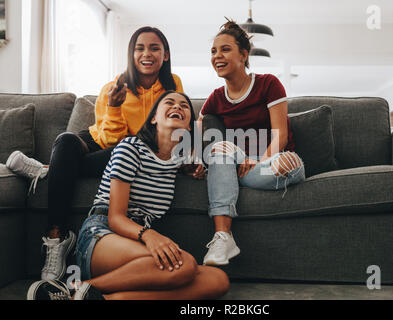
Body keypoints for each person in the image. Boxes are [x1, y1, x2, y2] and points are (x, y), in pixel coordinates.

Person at [6, 26, 184, 281]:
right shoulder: (113, 87)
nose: (147, 54)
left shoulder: (173, 84)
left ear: (165, 55)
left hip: (131, 148)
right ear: (130, 54)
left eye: (154, 48)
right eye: (139, 48)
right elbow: (111, 138)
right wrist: (114, 107)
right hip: (104, 139)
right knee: (66, 140)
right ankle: (58, 237)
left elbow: (133, 147)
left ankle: (49, 170)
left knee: (116, 151)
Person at [27, 90, 228, 300]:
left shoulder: (178, 163)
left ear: (189, 126)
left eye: (185, 106)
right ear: (153, 118)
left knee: (217, 279)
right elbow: (115, 218)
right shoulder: (131, 148)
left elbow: (198, 158)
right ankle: (72, 290)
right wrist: (150, 236)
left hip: (136, 245)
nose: (178, 107)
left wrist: (194, 166)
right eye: (169, 103)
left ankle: (103, 298)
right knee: (184, 265)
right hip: (103, 233)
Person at [199, 20, 306, 266]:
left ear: (244, 55)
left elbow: (280, 134)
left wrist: (258, 160)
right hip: (236, 164)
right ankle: (223, 237)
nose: (217, 56)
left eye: (225, 49)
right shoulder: (215, 98)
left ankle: (228, 178)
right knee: (220, 149)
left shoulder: (268, 84)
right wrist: (198, 161)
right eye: (214, 51)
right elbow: (198, 134)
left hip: (268, 164)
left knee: (289, 164)